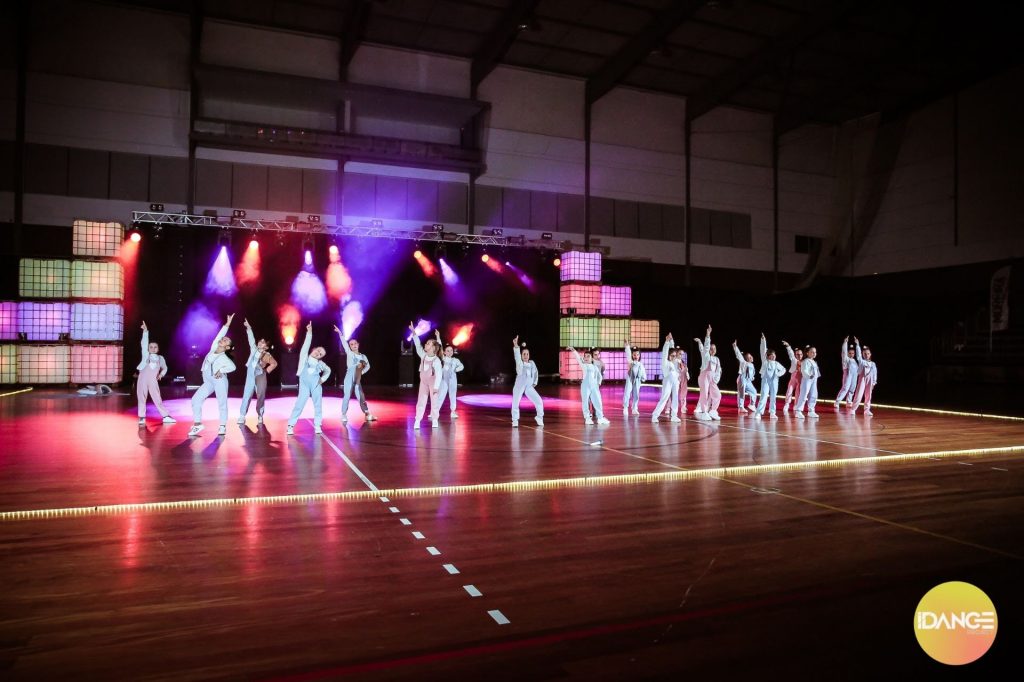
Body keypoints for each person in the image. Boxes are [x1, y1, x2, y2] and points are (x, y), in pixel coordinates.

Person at [188, 314, 236, 437]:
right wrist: (227, 325)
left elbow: (233, 367)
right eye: (223, 339)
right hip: (208, 381)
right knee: (196, 399)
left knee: (222, 402)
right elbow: (219, 336)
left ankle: (222, 426)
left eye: (225, 340)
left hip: (219, 381)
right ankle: (198, 424)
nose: (222, 339)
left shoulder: (225, 358)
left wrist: (221, 370)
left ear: (227, 347)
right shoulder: (214, 347)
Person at [286, 321, 331, 435]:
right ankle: (290, 425)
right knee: (299, 403)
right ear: (313, 349)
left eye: (320, 354)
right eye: (318, 351)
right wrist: (309, 333)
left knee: (318, 404)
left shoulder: (320, 364)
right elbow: (306, 345)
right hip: (304, 384)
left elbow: (328, 370)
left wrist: (322, 379)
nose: (318, 353)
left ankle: (317, 425)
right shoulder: (304, 357)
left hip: (316, 385)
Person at [238, 319, 277, 425]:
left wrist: (266, 370)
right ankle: (242, 416)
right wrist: (249, 328)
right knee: (247, 394)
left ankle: (260, 415)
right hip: (250, 374)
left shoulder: (267, 355)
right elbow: (251, 339)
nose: (260, 342)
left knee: (260, 395)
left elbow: (274, 363)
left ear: (266, 346)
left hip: (260, 375)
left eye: (263, 342)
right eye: (260, 341)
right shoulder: (254, 349)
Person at [334, 325, 376, 423]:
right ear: (350, 346)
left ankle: (367, 414)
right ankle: (343, 414)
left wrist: (361, 372)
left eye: (355, 343)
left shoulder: (363, 356)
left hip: (357, 378)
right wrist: (340, 334)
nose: (354, 345)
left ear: (358, 344)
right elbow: (344, 343)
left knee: (361, 396)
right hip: (349, 377)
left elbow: (368, 366)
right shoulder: (349, 353)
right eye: (351, 344)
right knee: (347, 396)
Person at [136, 321, 174, 425]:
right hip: (142, 379)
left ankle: (165, 416)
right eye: (151, 347)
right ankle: (142, 417)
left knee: (157, 398)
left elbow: (165, 368)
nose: (153, 349)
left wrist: (161, 375)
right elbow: (144, 343)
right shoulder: (146, 355)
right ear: (148, 348)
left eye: (155, 347)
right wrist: (145, 331)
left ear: (158, 348)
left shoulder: (160, 358)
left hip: (153, 380)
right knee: (141, 397)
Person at [410, 322, 443, 428]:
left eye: (428, 344)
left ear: (433, 348)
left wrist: (436, 387)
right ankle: (417, 420)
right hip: (423, 382)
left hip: (433, 382)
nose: (425, 344)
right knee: (421, 400)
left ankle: (435, 419)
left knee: (434, 401)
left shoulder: (436, 360)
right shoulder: (423, 355)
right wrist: (414, 332)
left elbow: (439, 374)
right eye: (427, 343)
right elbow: (417, 345)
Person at [568, 346, 610, 425]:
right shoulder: (584, 365)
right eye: (585, 356)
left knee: (598, 401)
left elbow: (599, 376)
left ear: (592, 358)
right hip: (585, 386)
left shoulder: (595, 367)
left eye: (588, 356)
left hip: (594, 387)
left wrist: (598, 383)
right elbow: (578, 358)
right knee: (585, 401)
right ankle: (587, 418)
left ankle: (600, 418)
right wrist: (573, 350)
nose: (586, 358)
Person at [511, 336, 544, 427]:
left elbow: (536, 372)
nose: (526, 356)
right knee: (516, 402)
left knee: (539, 400)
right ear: (521, 356)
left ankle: (539, 417)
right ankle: (515, 420)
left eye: (527, 354)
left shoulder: (532, 363)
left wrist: (535, 382)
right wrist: (516, 346)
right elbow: (517, 357)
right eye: (524, 354)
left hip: (529, 386)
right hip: (519, 385)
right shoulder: (520, 364)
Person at [753, 333, 787, 420]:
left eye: (774, 355)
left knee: (773, 397)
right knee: (764, 395)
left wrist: (778, 374)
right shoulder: (765, 361)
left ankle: (772, 412)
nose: (773, 356)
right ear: (768, 356)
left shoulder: (776, 363)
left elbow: (784, 369)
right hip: (765, 380)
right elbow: (763, 349)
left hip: (774, 381)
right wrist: (763, 340)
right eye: (772, 355)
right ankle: (759, 413)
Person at [694, 325, 722, 421]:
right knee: (704, 394)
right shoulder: (706, 356)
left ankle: (713, 411)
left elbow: (718, 370)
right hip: (704, 376)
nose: (713, 350)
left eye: (714, 348)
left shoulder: (717, 359)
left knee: (718, 395)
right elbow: (704, 347)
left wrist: (715, 380)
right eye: (711, 348)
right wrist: (708, 335)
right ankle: (704, 412)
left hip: (712, 379)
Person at [436, 330, 465, 420]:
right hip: (444, 380)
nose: (450, 352)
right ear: (444, 352)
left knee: (452, 395)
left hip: (452, 380)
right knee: (441, 395)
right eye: (447, 351)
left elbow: (462, 366)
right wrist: (438, 337)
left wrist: (456, 369)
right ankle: (435, 411)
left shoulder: (455, 360)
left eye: (451, 350)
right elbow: (440, 347)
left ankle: (453, 411)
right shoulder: (443, 358)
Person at [651, 334, 680, 423]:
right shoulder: (665, 362)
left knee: (675, 398)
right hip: (667, 381)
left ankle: (674, 415)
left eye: (675, 356)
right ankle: (655, 416)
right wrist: (667, 342)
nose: (674, 357)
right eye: (672, 355)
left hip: (675, 381)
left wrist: (671, 340)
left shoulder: (674, 362)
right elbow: (665, 352)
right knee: (664, 398)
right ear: (668, 355)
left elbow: (672, 348)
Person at [850, 345, 879, 416]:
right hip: (862, 379)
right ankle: (853, 409)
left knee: (868, 395)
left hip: (870, 380)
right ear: (863, 354)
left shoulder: (873, 364)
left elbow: (875, 373)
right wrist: (857, 346)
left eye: (868, 353)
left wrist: (874, 383)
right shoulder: (862, 362)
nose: (866, 355)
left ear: (870, 354)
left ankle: (867, 410)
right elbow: (858, 356)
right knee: (859, 394)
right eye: (865, 354)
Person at [794, 346, 821, 419]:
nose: (814, 353)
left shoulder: (814, 362)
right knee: (804, 394)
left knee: (813, 395)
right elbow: (804, 371)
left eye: (815, 352)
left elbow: (816, 371)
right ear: (807, 353)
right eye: (812, 352)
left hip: (814, 380)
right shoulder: (805, 361)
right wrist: (809, 376)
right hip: (807, 380)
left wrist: (816, 376)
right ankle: (798, 411)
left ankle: (811, 410)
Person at [835, 336, 861, 410]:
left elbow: (857, 369)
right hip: (847, 376)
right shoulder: (846, 359)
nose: (851, 354)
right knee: (845, 388)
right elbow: (844, 352)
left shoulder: (855, 361)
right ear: (847, 353)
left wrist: (857, 344)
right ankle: (837, 402)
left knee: (852, 388)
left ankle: (849, 401)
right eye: (850, 353)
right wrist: (845, 343)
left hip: (854, 377)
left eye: (853, 353)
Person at [732, 340, 759, 413]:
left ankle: (752, 404)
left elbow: (752, 373)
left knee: (754, 391)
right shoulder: (743, 362)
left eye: (751, 356)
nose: (751, 357)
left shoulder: (752, 365)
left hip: (748, 380)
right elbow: (738, 355)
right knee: (741, 393)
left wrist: (752, 377)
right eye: (749, 357)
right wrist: (735, 346)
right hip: (742, 378)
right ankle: (741, 407)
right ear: (746, 359)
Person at [623, 341, 646, 416]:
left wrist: (643, 378)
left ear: (639, 355)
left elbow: (643, 372)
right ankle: (625, 407)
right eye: (634, 355)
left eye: (637, 354)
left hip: (637, 380)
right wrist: (627, 346)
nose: (636, 356)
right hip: (630, 378)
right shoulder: (630, 362)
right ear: (632, 355)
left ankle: (634, 408)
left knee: (636, 394)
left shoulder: (641, 364)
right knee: (627, 393)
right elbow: (628, 353)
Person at [781, 341, 803, 414]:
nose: (799, 355)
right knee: (789, 390)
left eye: (801, 354)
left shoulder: (805, 361)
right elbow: (790, 353)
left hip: (800, 378)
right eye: (797, 354)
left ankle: (796, 405)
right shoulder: (794, 359)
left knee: (798, 392)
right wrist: (788, 346)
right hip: (793, 377)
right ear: (795, 354)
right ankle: (787, 404)